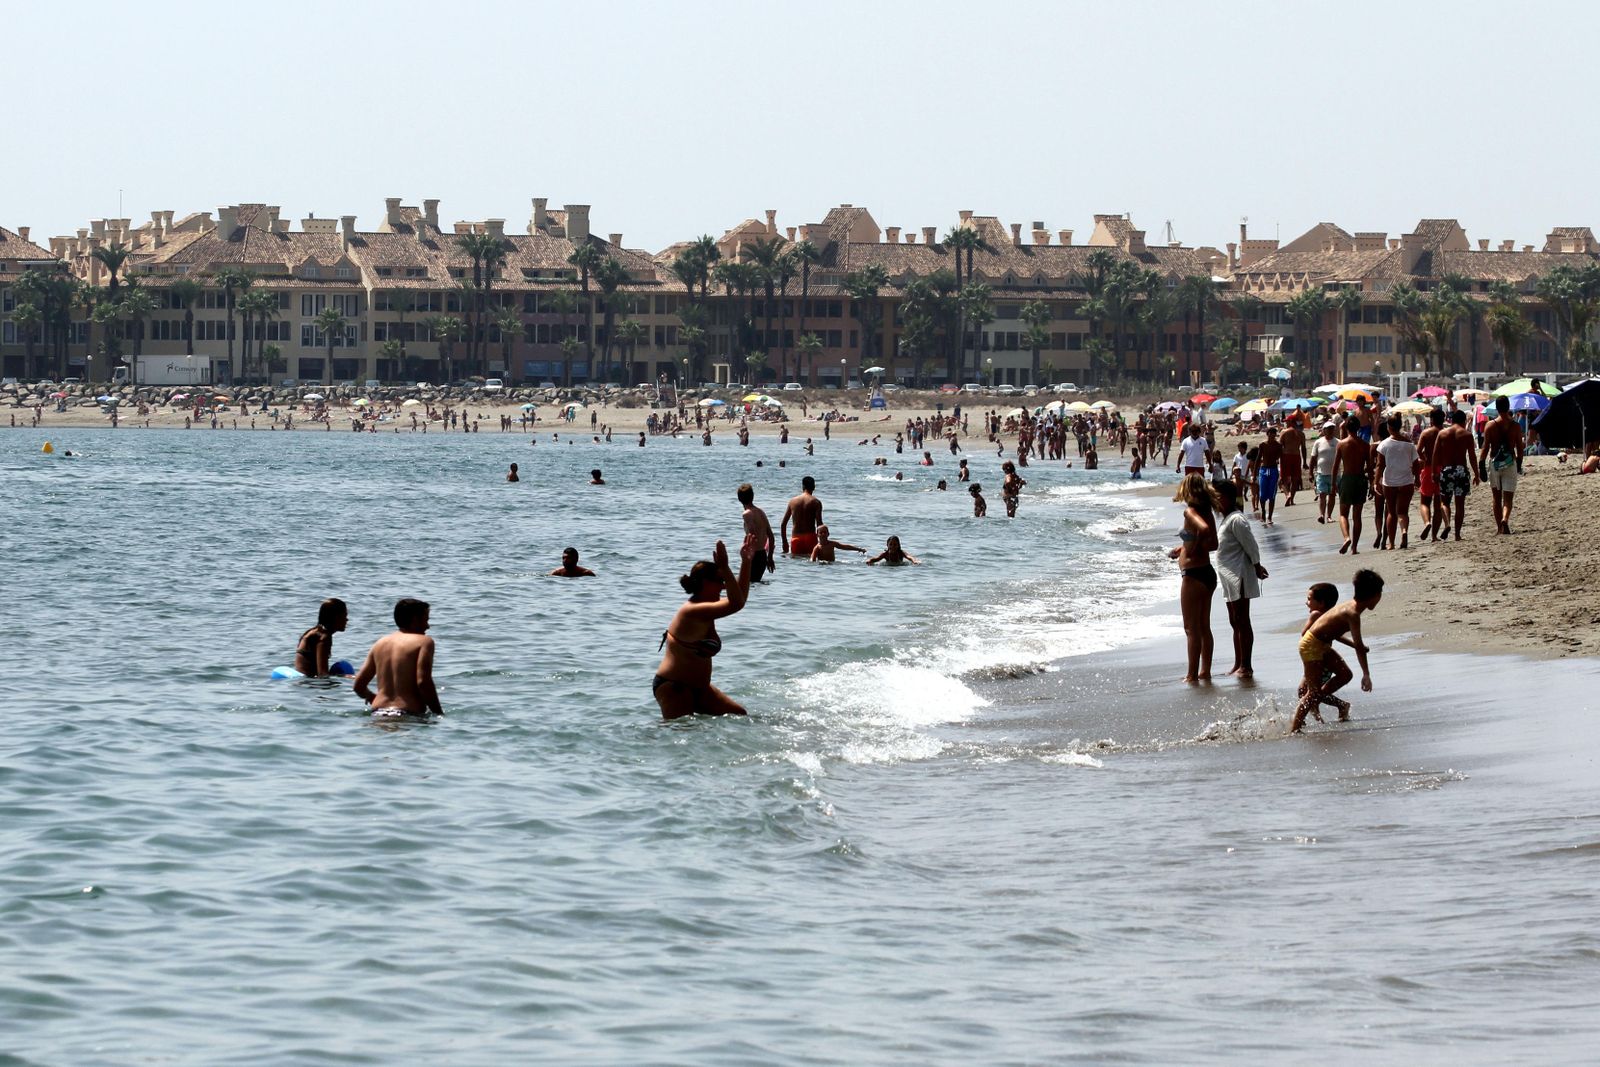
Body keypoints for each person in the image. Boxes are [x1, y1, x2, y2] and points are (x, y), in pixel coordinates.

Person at [653, 540, 750, 719]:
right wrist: (725, 568)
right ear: (705, 582)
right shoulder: (692, 611)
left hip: (700, 688)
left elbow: (740, 598)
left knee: (740, 715)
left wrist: (746, 561)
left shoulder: (706, 607)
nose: (723, 586)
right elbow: (736, 603)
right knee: (681, 737)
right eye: (720, 581)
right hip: (675, 687)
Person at [1292, 569, 1383, 733]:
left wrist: (1356, 646)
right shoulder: (1352, 613)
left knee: (1345, 675)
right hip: (1311, 646)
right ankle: (1294, 729)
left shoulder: (1351, 607)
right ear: (1374, 595)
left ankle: (1320, 700)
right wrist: (1366, 674)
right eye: (1380, 594)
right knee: (1311, 692)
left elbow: (1333, 631)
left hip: (1321, 645)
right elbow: (1359, 646)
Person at [1213, 481, 1268, 678]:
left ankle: (1247, 665)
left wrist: (1257, 566)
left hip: (1240, 574)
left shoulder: (1237, 519)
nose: (1216, 501)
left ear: (1228, 497)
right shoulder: (1226, 519)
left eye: (1218, 497)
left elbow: (1251, 545)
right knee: (1234, 621)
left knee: (1242, 620)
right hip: (1228, 576)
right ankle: (1238, 663)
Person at [353, 598, 443, 718]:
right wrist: (438, 713)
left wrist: (372, 697)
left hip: (378, 713)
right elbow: (423, 682)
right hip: (408, 713)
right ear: (415, 619)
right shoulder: (424, 642)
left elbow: (358, 686)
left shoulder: (380, 643)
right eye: (426, 620)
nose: (428, 626)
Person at [1169, 474, 1220, 683]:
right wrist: (1185, 548)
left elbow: (1205, 531)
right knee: (1204, 626)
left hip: (1193, 575)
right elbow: (1214, 543)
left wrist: (1191, 551)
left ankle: (1191, 675)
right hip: (1207, 572)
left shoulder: (1190, 511)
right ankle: (1205, 671)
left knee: (1191, 628)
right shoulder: (1207, 511)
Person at [1295, 583, 1355, 724]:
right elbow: (1336, 635)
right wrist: (1355, 645)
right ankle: (1336, 707)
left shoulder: (1316, 615)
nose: (1306, 602)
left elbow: (1305, 634)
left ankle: (1310, 717)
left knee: (1308, 692)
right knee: (1309, 691)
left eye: (1309, 599)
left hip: (1317, 657)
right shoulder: (1330, 616)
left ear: (1321, 603)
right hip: (1320, 656)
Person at [1480, 395, 1526, 534]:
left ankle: (1499, 528)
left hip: (1494, 463)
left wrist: (1481, 464)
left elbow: (1485, 447)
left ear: (1496, 408)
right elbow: (1520, 448)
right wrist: (1518, 464)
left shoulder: (1490, 425)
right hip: (1510, 462)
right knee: (1508, 498)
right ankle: (1505, 519)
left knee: (1496, 497)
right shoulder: (1515, 426)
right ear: (1508, 407)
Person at [1432, 409, 1480, 541]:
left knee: (1444, 502)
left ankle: (1447, 523)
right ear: (1464, 421)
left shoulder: (1442, 433)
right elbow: (1472, 456)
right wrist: (1476, 473)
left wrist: (1433, 472)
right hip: (1461, 470)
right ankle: (1457, 535)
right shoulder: (1467, 434)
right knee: (1460, 504)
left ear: (1452, 420)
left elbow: (1435, 455)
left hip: (1446, 470)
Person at [1374, 415, 1419, 549]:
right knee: (1403, 512)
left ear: (1388, 427)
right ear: (1400, 427)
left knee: (1391, 513)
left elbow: (1380, 465)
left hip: (1390, 482)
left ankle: (1392, 543)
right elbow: (1416, 464)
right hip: (1406, 481)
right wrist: (1417, 479)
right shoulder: (1409, 444)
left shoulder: (1384, 444)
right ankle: (1404, 532)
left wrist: (1376, 481)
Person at [1331, 415, 1371, 555]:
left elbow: (1335, 466)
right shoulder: (1365, 445)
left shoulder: (1341, 444)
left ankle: (1346, 537)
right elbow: (1370, 467)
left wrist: (1333, 484)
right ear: (1359, 428)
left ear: (1346, 428)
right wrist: (1372, 485)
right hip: (1360, 479)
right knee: (1357, 516)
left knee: (1343, 513)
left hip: (1347, 479)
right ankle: (1354, 547)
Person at [293, 598, 347, 677]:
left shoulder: (312, 632)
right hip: (309, 684)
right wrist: (348, 677)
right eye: (344, 615)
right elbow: (322, 674)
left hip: (302, 683)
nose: (347, 619)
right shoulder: (324, 637)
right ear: (335, 617)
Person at [1416, 407, 1445, 541]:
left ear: (1431, 419)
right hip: (1442, 469)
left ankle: (1427, 522)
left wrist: (1425, 458)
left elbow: (1418, 450)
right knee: (1438, 505)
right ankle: (1434, 536)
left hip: (1428, 469)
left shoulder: (1426, 433)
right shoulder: (1445, 433)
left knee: (1425, 502)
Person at [738, 483, 776, 581]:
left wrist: (747, 555)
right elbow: (771, 536)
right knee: (755, 584)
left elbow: (752, 535)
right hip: (762, 555)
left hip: (754, 556)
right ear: (752, 496)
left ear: (739, 499)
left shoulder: (747, 514)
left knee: (745, 585)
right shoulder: (760, 512)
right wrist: (770, 557)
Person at [780, 476, 823, 557]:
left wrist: (784, 542)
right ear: (814, 487)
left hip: (796, 539)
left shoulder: (793, 501)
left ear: (802, 486)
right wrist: (823, 543)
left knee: (796, 566)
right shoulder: (816, 502)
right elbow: (819, 525)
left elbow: (783, 524)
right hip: (811, 538)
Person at [1310, 421, 1338, 525]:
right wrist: (1310, 472)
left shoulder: (1338, 442)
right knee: (1322, 494)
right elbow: (1313, 458)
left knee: (1332, 495)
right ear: (1324, 430)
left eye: (1332, 428)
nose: (1330, 430)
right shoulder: (1318, 442)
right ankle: (1322, 515)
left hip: (1334, 474)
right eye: (1328, 428)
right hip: (1321, 473)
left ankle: (1329, 516)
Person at [1257, 427, 1283, 526]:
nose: (1272, 436)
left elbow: (1281, 460)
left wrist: (1282, 475)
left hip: (1273, 470)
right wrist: (1254, 473)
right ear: (1267, 434)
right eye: (1270, 434)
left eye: (1274, 434)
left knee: (1272, 495)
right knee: (1262, 494)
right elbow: (1258, 459)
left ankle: (1270, 516)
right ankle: (1263, 511)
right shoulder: (1263, 445)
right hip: (1264, 470)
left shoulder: (1278, 445)